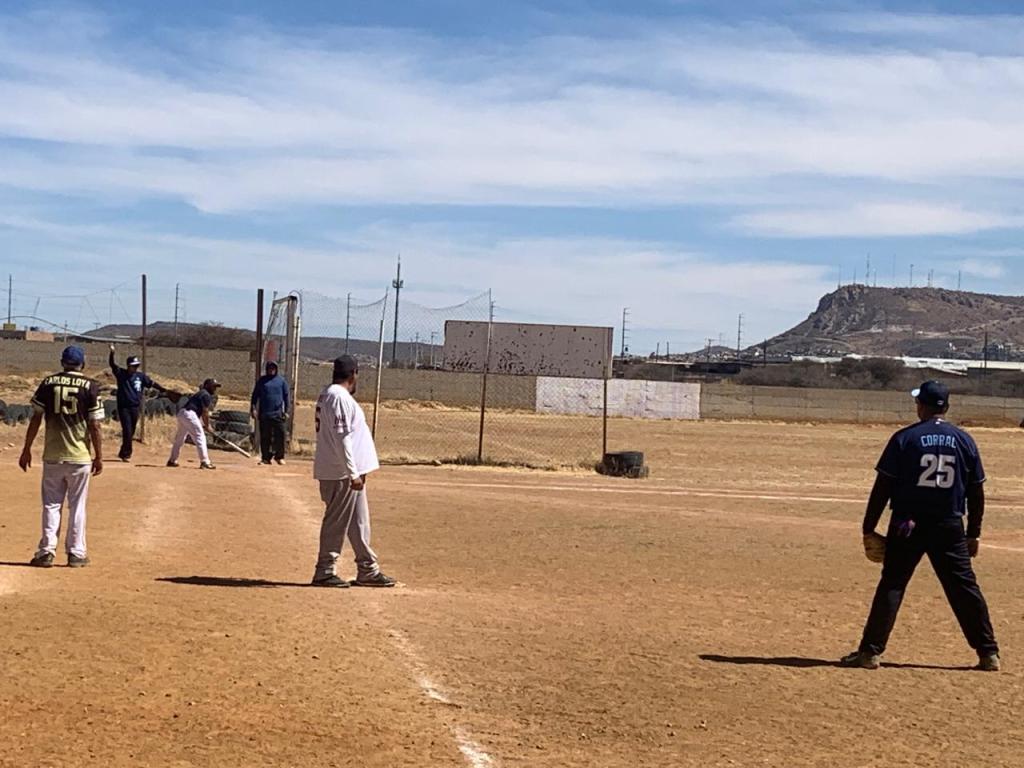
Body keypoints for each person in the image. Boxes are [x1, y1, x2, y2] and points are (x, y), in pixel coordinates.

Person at [841, 380, 1000, 671]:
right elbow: (976, 492)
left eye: (918, 402)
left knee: (893, 584)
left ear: (922, 406)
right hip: (949, 524)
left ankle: (870, 653)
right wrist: (973, 532)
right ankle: (988, 653)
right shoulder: (964, 440)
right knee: (964, 588)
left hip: (907, 524)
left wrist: (868, 527)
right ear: (946, 407)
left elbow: (883, 487)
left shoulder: (905, 438)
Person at [311, 355, 395, 588]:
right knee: (336, 522)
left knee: (359, 523)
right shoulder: (338, 397)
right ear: (353, 374)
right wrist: (352, 473)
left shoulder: (334, 395)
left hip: (347, 474)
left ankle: (367, 569)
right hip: (341, 474)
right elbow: (342, 439)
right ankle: (325, 570)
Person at [19, 345, 104, 568]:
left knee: (51, 505)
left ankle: (46, 551)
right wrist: (99, 455)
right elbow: (95, 425)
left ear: (62, 362)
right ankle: (76, 553)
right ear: (82, 363)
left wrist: (26, 448)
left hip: (53, 454)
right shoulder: (91, 386)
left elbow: (36, 418)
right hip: (79, 456)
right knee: (77, 506)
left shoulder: (47, 383)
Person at [109, 344, 166, 462]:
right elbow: (112, 365)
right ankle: (126, 454)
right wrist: (112, 353)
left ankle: (123, 451)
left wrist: (163, 390)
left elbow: (152, 383)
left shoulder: (140, 376)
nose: (135, 368)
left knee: (132, 430)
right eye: (133, 366)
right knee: (127, 430)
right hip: (124, 407)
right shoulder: (121, 374)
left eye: (136, 366)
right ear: (128, 366)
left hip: (135, 406)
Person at [167, 378, 220, 470]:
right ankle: (205, 462)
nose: (215, 389)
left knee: (180, 438)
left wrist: (203, 423)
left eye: (216, 387)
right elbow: (205, 412)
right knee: (200, 436)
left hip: (183, 414)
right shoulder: (206, 395)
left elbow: (200, 413)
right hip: (189, 414)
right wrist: (207, 426)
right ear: (207, 386)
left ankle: (172, 460)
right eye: (213, 387)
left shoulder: (202, 393)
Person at [251, 361, 290, 465]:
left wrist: (286, 411)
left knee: (281, 435)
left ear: (276, 369)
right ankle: (265, 458)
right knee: (265, 437)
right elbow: (254, 396)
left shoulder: (281, 381)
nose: (272, 370)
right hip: (264, 414)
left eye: (274, 368)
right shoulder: (262, 381)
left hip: (278, 414)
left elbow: (286, 397)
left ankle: (279, 457)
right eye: (270, 368)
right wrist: (253, 409)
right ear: (267, 369)